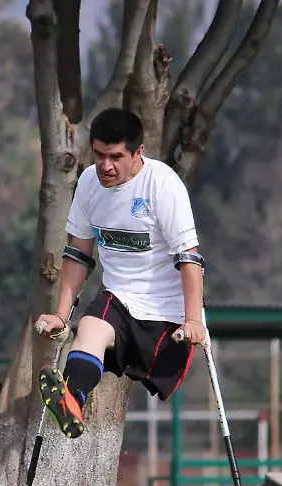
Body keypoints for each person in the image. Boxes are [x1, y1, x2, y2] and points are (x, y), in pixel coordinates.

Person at [35, 107, 206, 439]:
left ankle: (74, 395)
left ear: (138, 152)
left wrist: (193, 319)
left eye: (115, 156)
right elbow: (78, 252)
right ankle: (72, 401)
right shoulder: (88, 182)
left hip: (165, 311)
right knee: (89, 327)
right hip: (118, 297)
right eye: (98, 155)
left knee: (114, 336)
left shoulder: (162, 185)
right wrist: (60, 314)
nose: (105, 166)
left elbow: (189, 258)